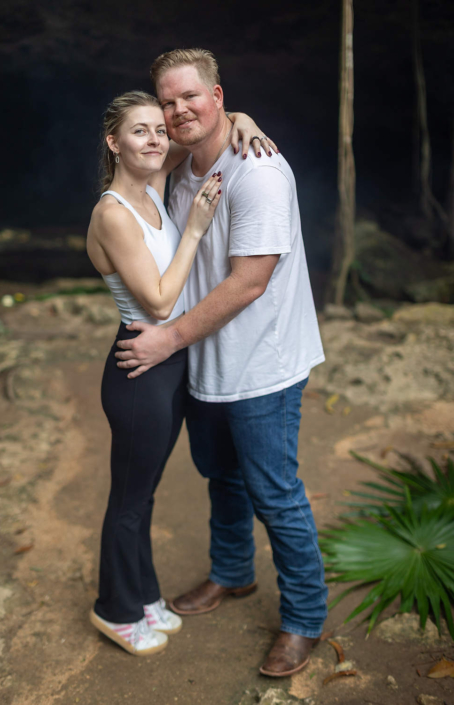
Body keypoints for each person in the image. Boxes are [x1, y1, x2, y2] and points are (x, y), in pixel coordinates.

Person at [114, 49, 329, 677]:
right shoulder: (180, 165)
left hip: (262, 364)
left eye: (192, 96)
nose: (179, 110)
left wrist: (167, 340)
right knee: (222, 478)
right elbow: (138, 162)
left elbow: (249, 282)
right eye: (168, 101)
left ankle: (304, 618)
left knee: (275, 494)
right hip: (206, 361)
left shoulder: (258, 173)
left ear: (217, 96)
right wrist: (240, 117)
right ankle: (232, 573)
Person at [86, 89, 276, 656]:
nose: (155, 140)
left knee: (144, 495)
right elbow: (161, 302)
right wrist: (194, 228)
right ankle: (114, 609)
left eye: (158, 130)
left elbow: (207, 129)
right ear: (114, 142)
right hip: (140, 367)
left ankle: (143, 595)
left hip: (169, 363)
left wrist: (242, 117)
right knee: (129, 499)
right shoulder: (112, 213)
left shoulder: (151, 184)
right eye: (138, 131)